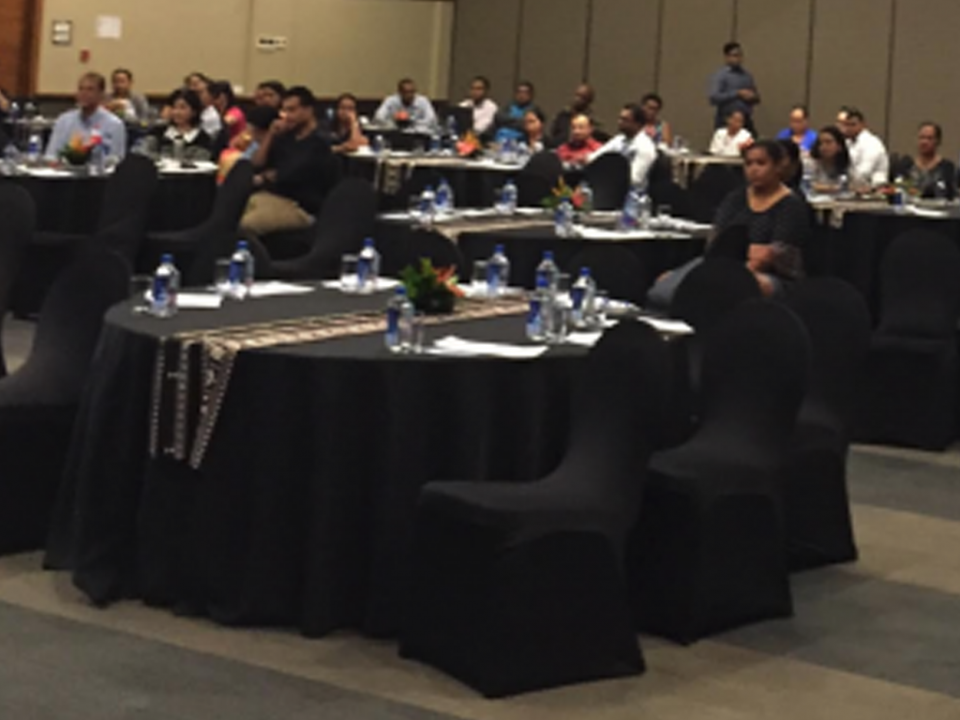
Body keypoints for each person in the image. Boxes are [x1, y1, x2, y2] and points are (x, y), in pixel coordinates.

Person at [714, 141, 810, 295]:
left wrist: (744, 267)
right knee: (666, 283)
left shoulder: (791, 204)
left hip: (776, 275)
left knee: (744, 285)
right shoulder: (736, 198)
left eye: (761, 163)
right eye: (749, 164)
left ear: (778, 166)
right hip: (727, 265)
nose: (754, 169)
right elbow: (718, 238)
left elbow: (774, 253)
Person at [242, 86, 339, 237]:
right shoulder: (287, 137)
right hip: (273, 196)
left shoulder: (321, 141)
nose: (287, 116)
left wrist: (271, 175)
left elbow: (288, 174)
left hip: (301, 206)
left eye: (292, 110)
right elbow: (257, 163)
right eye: (285, 111)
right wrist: (270, 134)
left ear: (308, 110)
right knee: (230, 214)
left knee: (247, 225)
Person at [45, 72, 127, 160]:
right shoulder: (64, 120)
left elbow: (116, 160)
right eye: (81, 89)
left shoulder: (114, 125)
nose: (84, 93)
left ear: (101, 94)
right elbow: (51, 155)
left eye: (90, 89)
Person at [588, 103, 657, 187]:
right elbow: (594, 158)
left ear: (638, 124)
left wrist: (607, 172)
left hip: (632, 196)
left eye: (625, 120)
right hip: (610, 188)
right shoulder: (619, 139)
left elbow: (634, 179)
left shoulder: (645, 147)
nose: (619, 122)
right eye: (620, 118)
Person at [891, 122, 957, 199]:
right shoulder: (906, 167)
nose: (924, 142)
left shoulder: (947, 168)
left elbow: (951, 196)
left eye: (929, 138)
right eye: (921, 138)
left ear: (938, 141)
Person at [708, 42, 760, 131]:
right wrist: (737, 93)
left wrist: (752, 97)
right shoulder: (721, 76)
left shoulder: (746, 75)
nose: (738, 59)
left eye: (740, 55)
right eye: (734, 55)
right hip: (726, 121)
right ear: (727, 57)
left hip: (745, 120)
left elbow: (757, 98)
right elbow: (714, 98)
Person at [153, 88, 213, 160]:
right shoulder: (158, 132)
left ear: (194, 111)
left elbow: (202, 160)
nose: (176, 112)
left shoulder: (202, 138)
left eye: (182, 108)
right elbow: (143, 152)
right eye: (174, 107)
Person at [841, 108, 889, 187]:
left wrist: (843, 180)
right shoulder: (848, 142)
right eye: (846, 125)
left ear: (863, 125)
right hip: (854, 187)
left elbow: (863, 174)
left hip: (874, 190)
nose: (849, 129)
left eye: (853, 125)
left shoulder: (871, 143)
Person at [809, 126, 852, 190]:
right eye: (820, 143)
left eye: (828, 142)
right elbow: (807, 186)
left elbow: (851, 186)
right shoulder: (810, 164)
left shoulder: (848, 165)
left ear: (839, 146)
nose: (823, 147)